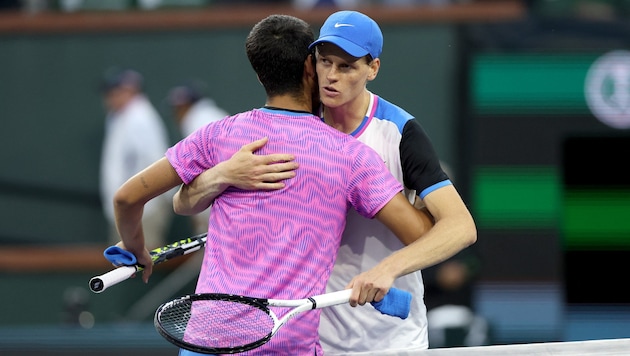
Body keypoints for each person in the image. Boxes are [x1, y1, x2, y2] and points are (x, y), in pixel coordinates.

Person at [112, 14, 435, 355]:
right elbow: (422, 236)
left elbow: (126, 199)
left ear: (258, 73)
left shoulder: (218, 136)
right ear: (311, 68)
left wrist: (136, 248)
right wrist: (428, 191)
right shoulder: (350, 156)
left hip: (204, 344)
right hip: (287, 346)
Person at [99, 67, 173, 249]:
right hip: (128, 207)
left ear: (130, 90)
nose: (110, 97)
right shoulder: (120, 117)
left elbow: (156, 162)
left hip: (143, 209)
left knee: (140, 265)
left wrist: (140, 202)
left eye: (115, 91)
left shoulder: (140, 118)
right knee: (124, 265)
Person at [167, 81, 229, 234]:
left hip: (220, 200)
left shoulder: (197, 121)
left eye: (179, 108)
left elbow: (201, 171)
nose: (177, 113)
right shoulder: (213, 115)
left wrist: (198, 212)